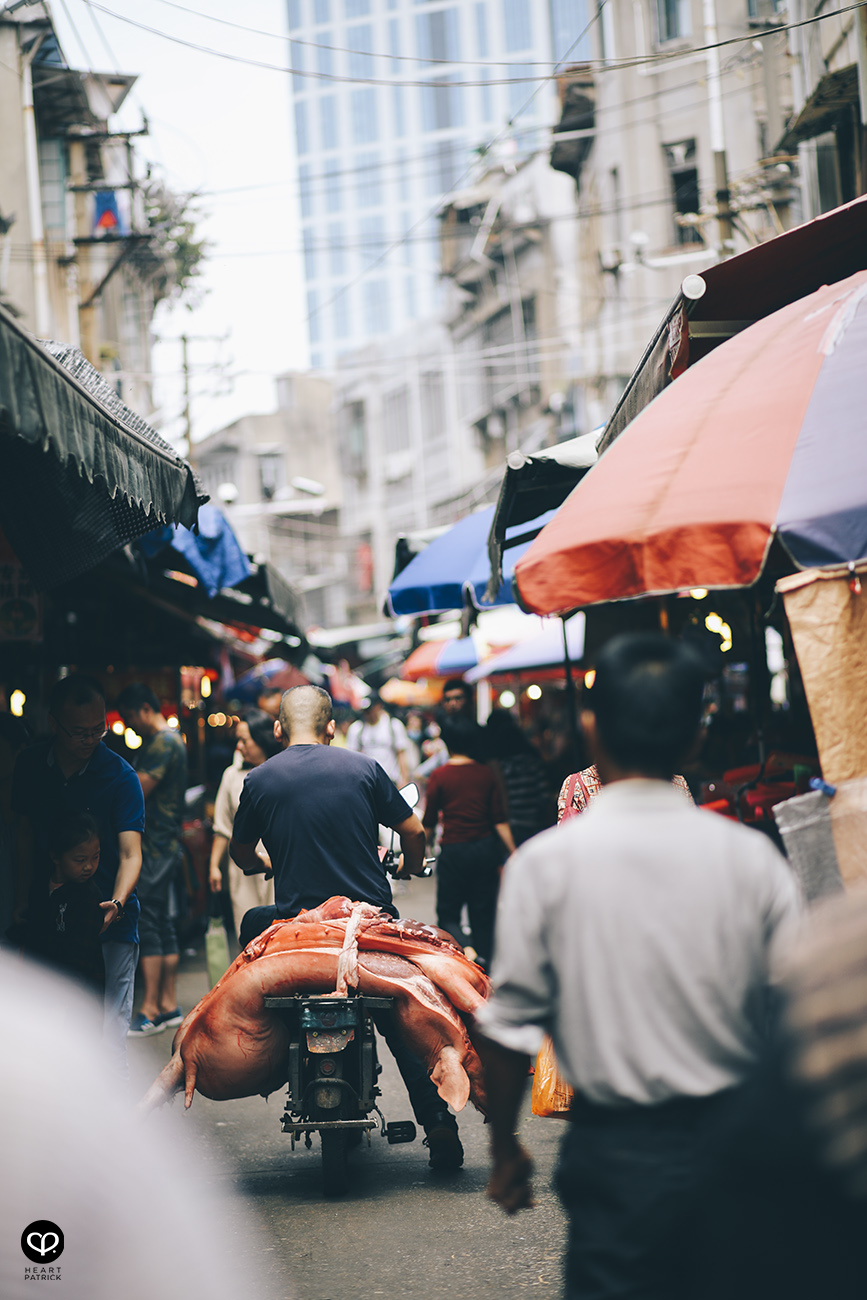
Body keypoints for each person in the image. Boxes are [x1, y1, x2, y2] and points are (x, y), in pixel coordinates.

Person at [475, 633, 800, 1300]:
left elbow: (506, 1029)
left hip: (616, 1157)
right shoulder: (752, 861)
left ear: (592, 726)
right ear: (695, 736)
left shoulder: (543, 867)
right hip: (739, 1153)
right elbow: (796, 1011)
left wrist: (505, 1148)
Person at [229, 683, 464, 1169]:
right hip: (368, 925)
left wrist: (262, 863)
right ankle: (439, 1123)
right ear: (332, 728)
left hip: (299, 930)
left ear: (278, 730)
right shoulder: (364, 768)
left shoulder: (259, 780)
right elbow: (414, 831)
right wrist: (409, 867)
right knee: (401, 1018)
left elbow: (240, 852)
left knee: (253, 921)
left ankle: (285, 1030)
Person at [12, 674, 144, 1078]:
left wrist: (116, 903)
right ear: (53, 723)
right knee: (50, 1034)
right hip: (47, 918)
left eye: (98, 729)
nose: (90, 739)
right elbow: (21, 835)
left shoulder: (121, 776)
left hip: (109, 920)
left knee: (107, 1038)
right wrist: (21, 901)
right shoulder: (31, 765)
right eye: (79, 732)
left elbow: (131, 853)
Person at [116, 683, 188, 1037]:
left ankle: (150, 1009)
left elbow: (137, 790)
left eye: (130, 716)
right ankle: (168, 1004)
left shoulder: (163, 743)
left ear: (145, 709)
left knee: (149, 921)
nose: (129, 724)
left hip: (156, 846)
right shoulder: (172, 740)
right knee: (162, 921)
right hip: (165, 844)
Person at [423, 715, 515, 967]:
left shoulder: (440, 775)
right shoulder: (485, 774)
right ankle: (485, 964)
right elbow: (499, 819)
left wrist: (419, 853)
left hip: (454, 851)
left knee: (448, 914)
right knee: (483, 914)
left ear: (446, 742)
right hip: (485, 850)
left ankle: (465, 955)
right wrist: (514, 851)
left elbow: (429, 821)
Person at [209, 710, 281, 942]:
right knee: (248, 935)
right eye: (237, 740)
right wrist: (214, 866)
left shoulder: (283, 771)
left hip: (278, 865)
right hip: (243, 868)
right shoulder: (231, 776)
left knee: (278, 936)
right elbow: (223, 827)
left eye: (244, 740)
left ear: (262, 739)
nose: (239, 746)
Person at [17, 810, 106, 992]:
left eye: (95, 857)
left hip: (78, 991)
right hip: (41, 984)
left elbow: (83, 956)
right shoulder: (39, 888)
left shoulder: (89, 896)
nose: (89, 866)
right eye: (80, 860)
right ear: (56, 857)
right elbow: (34, 935)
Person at [486, 710, 553, 845]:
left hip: (513, 825)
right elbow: (545, 796)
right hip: (535, 825)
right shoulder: (533, 762)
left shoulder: (500, 766)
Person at [345, 693, 411, 785]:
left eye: (370, 710)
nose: (368, 714)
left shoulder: (393, 725)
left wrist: (404, 780)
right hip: (368, 781)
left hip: (391, 779)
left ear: (379, 707)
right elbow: (353, 758)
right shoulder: (356, 728)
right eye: (365, 711)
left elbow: (401, 755)